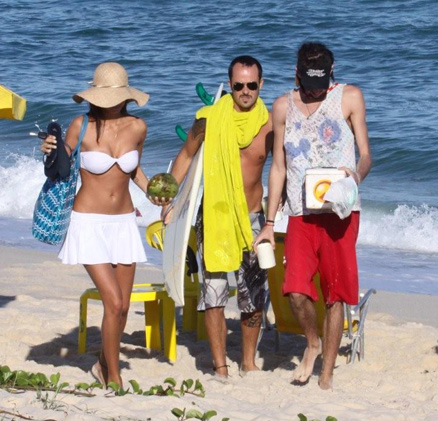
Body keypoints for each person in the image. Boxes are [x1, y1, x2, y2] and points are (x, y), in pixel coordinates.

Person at [254, 42, 372, 390]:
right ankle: (313, 342)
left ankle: (327, 372)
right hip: (300, 214)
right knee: (294, 291)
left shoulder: (349, 97)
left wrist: (354, 178)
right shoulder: (282, 107)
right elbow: (277, 167)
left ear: (331, 74)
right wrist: (270, 222)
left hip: (340, 212)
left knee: (335, 293)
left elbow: (365, 155)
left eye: (321, 84)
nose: (316, 91)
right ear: (296, 75)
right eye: (309, 84)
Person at [41, 62, 155, 388]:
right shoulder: (81, 125)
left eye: (118, 96)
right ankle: (113, 377)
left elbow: (134, 171)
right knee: (114, 301)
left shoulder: (138, 127)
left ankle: (101, 366)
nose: (111, 102)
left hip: (123, 222)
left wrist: (155, 195)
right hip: (87, 222)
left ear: (126, 96)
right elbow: (59, 167)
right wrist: (47, 149)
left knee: (122, 307)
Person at [159, 56, 273, 379]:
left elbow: (282, 168)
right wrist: (168, 200)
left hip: (252, 217)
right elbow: (185, 156)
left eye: (252, 85)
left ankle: (248, 361)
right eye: (238, 85)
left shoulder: (269, 125)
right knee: (214, 293)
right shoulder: (210, 120)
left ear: (261, 85)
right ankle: (220, 365)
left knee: (254, 295)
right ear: (230, 84)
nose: (246, 91)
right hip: (214, 216)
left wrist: (277, 217)